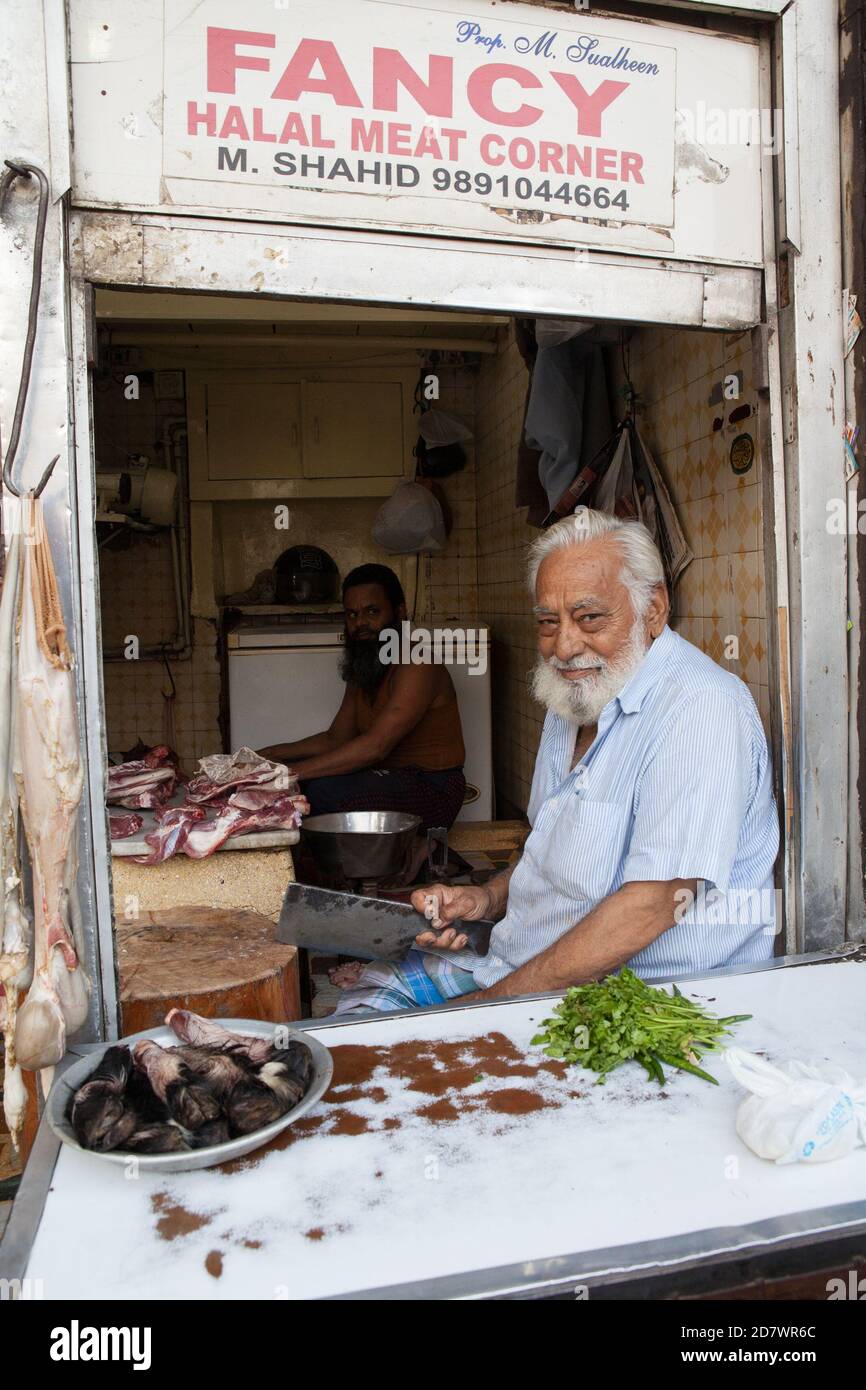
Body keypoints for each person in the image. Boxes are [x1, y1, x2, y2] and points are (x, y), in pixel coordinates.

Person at [334, 508, 779, 1015]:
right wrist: (486, 900)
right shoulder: (574, 699)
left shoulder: (698, 708)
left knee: (378, 1054)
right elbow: (549, 851)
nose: (565, 646)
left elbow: (652, 904)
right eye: (549, 622)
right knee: (359, 1005)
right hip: (527, 969)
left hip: (638, 1005)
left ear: (654, 608)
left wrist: (488, 1008)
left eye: (589, 617)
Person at [260, 564, 466, 831]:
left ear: (400, 613)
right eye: (352, 614)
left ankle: (408, 857)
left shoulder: (418, 662)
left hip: (432, 788)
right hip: (387, 777)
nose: (360, 624)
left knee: (319, 791)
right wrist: (269, 756)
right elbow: (336, 739)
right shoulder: (367, 667)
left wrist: (288, 775)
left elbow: (375, 747)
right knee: (303, 783)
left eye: (372, 612)